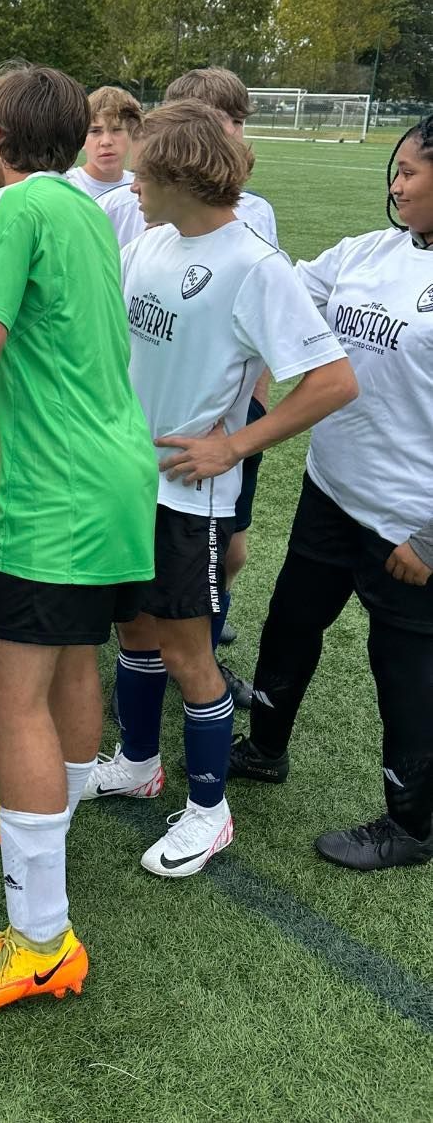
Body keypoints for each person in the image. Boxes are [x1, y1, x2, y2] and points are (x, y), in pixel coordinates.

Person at [0, 62, 158, 1013]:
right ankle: (42, 810)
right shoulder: (83, 209)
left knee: (1, 692)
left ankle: (42, 940)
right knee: (66, 667)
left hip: (57, 494)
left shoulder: (14, 209)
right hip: (114, 477)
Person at [85, 101, 355, 876]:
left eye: (142, 168)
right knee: (133, 629)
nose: (129, 178)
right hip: (128, 486)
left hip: (187, 499)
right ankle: (138, 764)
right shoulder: (151, 244)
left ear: (179, 175)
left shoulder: (252, 264)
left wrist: (231, 444)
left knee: (186, 652)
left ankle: (210, 812)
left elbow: (331, 381)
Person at [230, 117, 433, 871]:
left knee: (402, 672)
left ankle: (409, 824)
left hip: (407, 525)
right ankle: (265, 748)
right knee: (289, 622)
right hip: (330, 490)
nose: (395, 182)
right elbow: (279, 291)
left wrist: (429, 538)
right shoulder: (364, 253)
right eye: (396, 168)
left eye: (410, 172)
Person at [164, 67, 281, 703]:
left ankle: (204, 633)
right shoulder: (142, 207)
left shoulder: (255, 213)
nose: (233, 134)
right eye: (219, 123)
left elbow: (265, 314)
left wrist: (255, 393)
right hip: (160, 412)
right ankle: (167, 648)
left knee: (230, 547)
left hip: (227, 419)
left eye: (238, 121)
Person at [66, 85, 142, 199]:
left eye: (116, 130)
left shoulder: (140, 188)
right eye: (95, 131)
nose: (106, 142)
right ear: (81, 137)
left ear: (132, 134)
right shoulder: (67, 187)